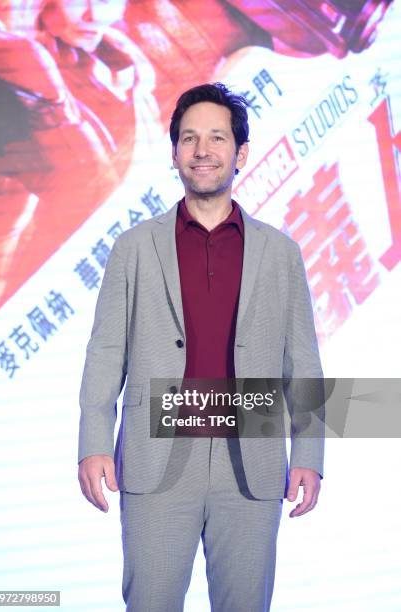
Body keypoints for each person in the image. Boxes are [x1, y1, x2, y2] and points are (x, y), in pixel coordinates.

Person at [78, 82, 325, 612]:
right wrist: (93, 441)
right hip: (157, 456)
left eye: (217, 137)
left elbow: (301, 363)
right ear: (174, 154)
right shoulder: (135, 248)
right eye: (189, 139)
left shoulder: (280, 254)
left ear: (241, 152)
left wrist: (309, 454)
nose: (202, 150)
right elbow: (104, 353)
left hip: (250, 459)